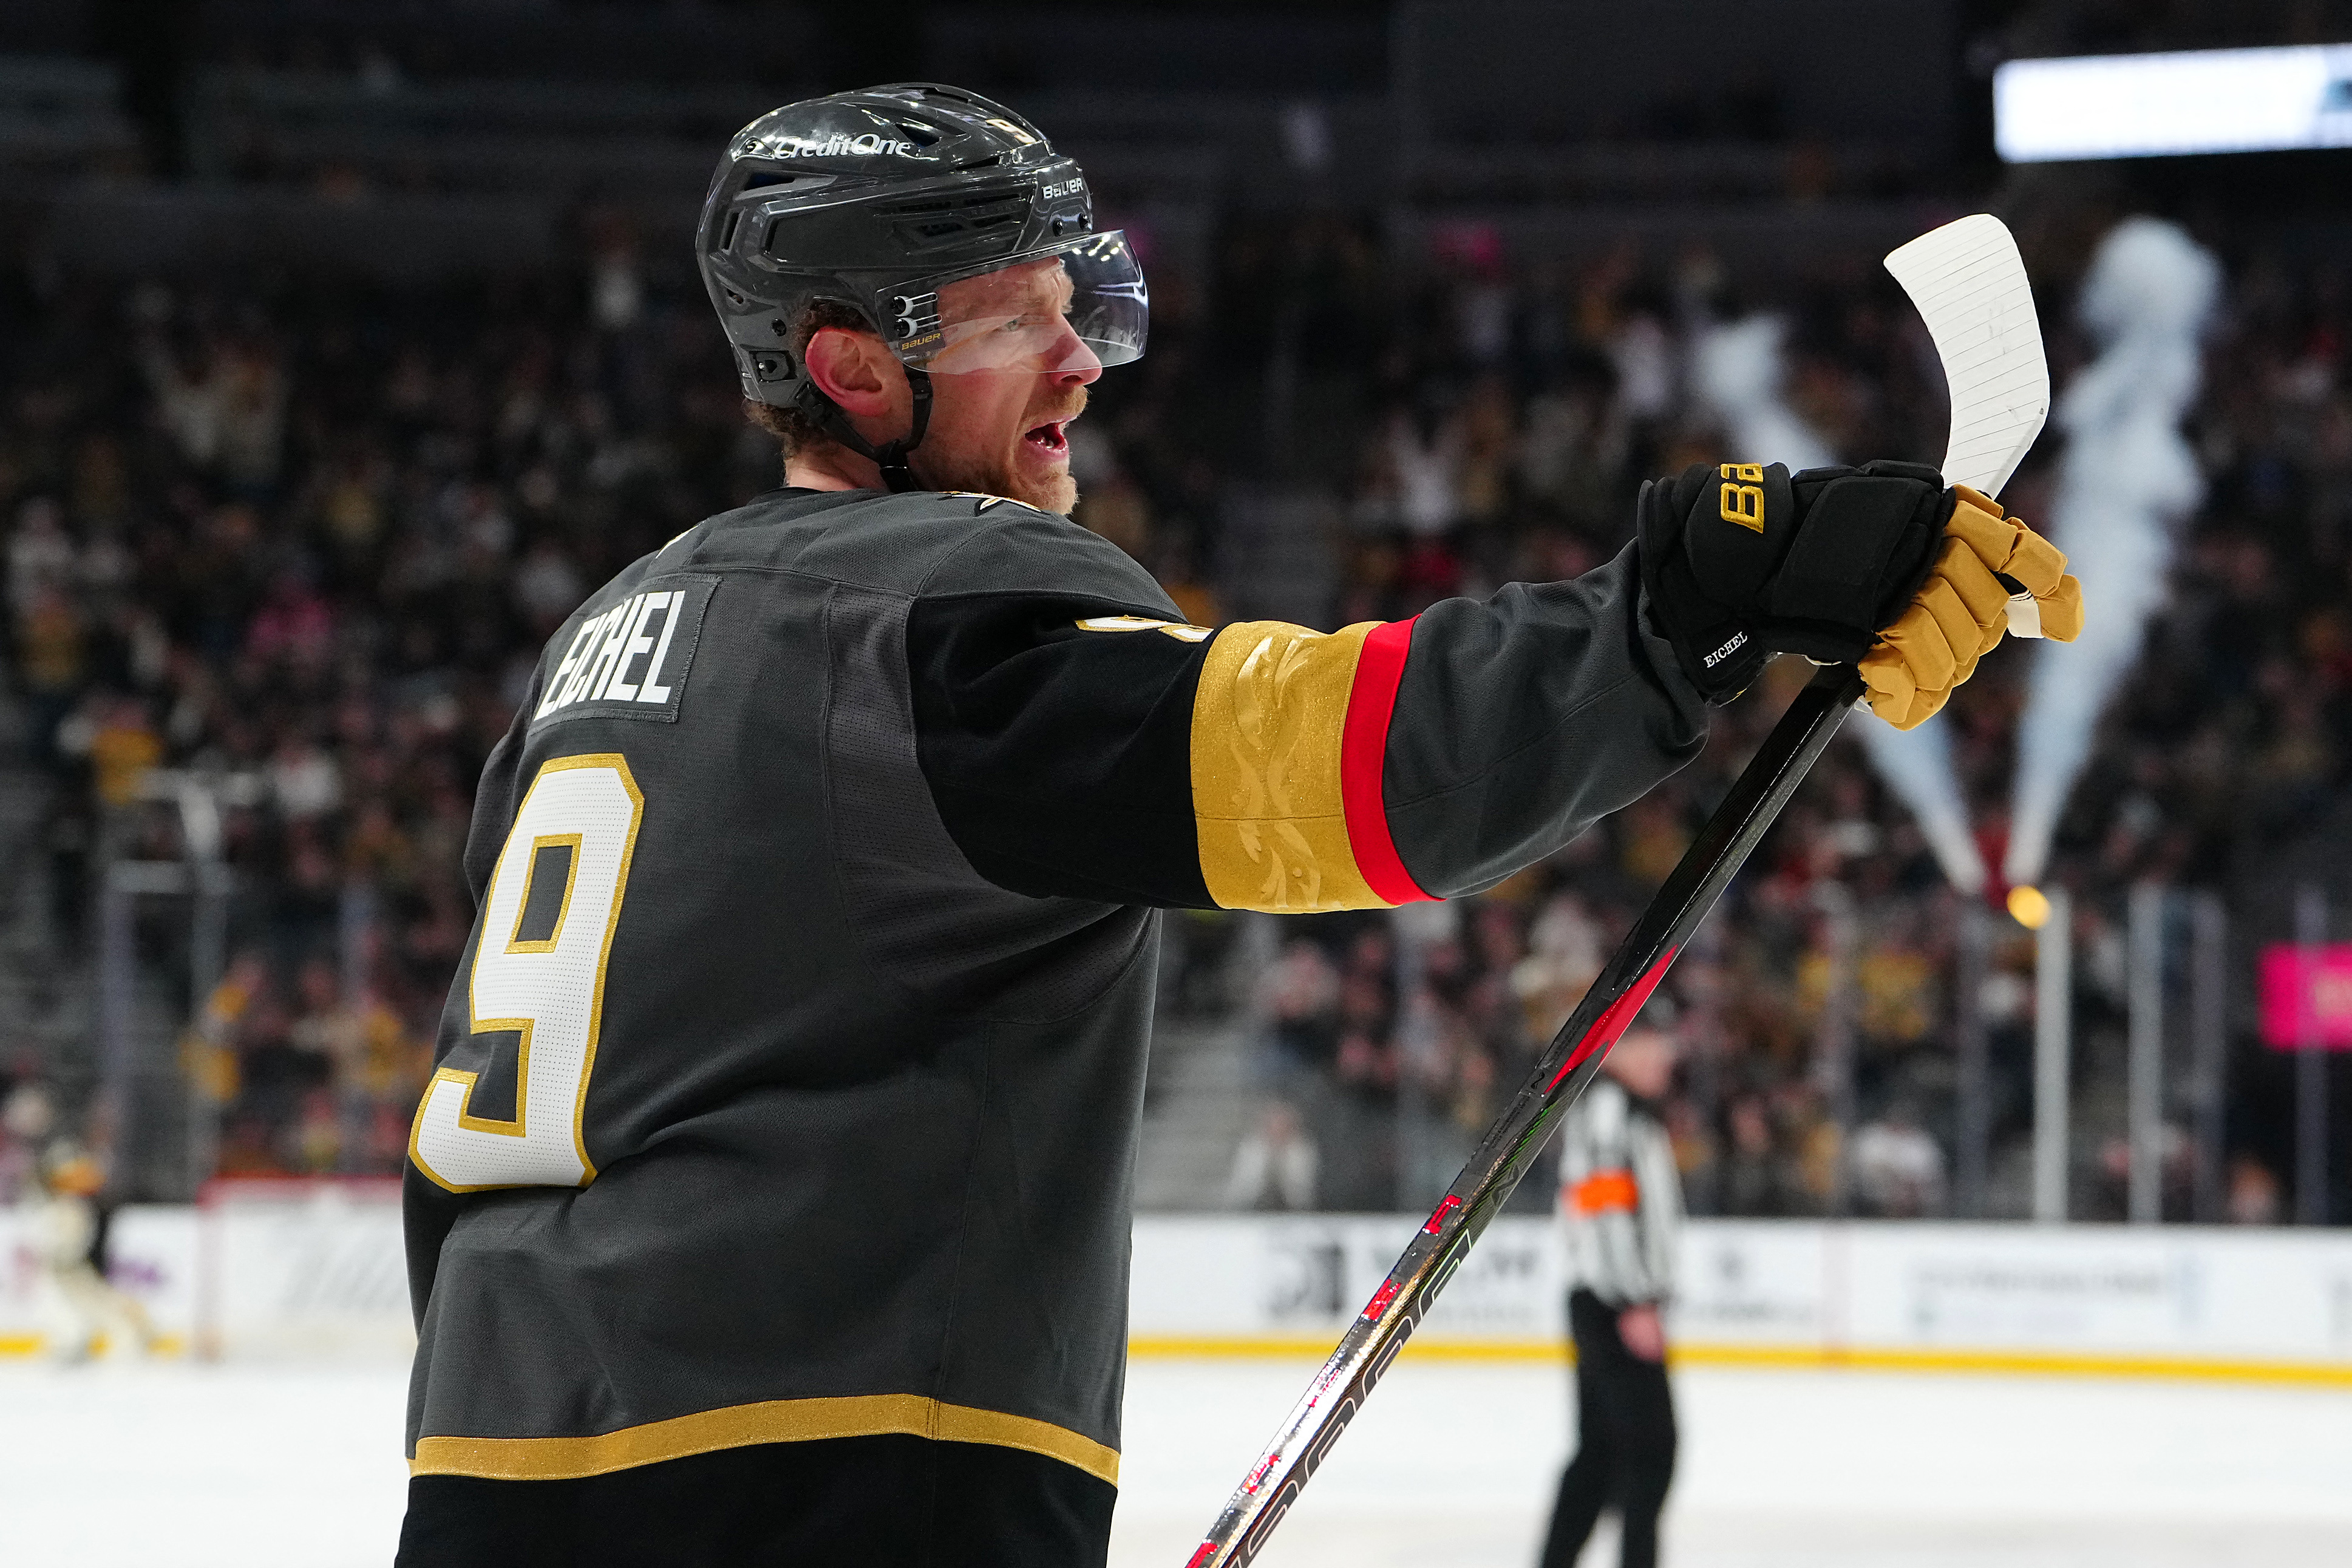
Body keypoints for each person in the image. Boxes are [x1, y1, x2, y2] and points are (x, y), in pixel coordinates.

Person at [395, 83, 2084, 1567]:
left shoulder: (599, 655)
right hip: (831, 1477)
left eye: (1084, 306)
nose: (1083, 361)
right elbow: (1340, 763)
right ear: (851, 366)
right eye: (1019, 322)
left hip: (482, 1467)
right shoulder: (934, 624)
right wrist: (1685, 603)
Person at [1540, 1016, 1685, 1568]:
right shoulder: (1609, 1113)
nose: (1663, 1057)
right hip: (1612, 1304)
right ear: (1617, 1048)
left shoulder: (1624, 1111)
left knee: (1600, 1456)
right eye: (1650, 1044)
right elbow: (1605, 1215)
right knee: (1651, 1454)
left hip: (1608, 1301)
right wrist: (1634, 1301)